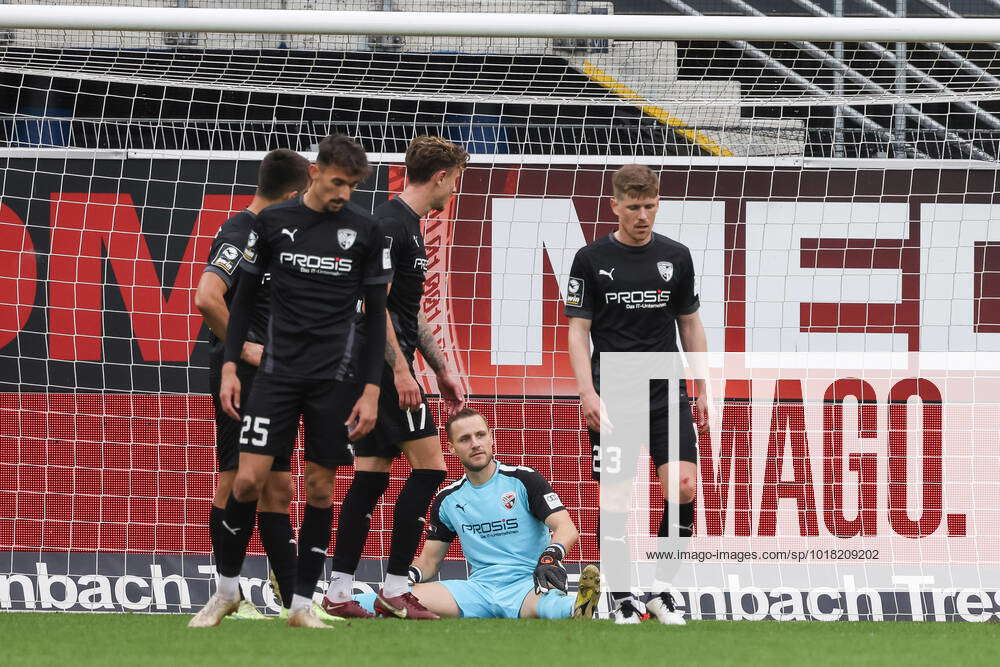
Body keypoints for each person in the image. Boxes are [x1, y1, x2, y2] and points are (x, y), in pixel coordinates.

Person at [188, 135, 392, 629]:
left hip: (333, 381)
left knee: (320, 489)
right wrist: (232, 366)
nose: (344, 192)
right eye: (338, 181)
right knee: (247, 480)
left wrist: (371, 390)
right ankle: (226, 592)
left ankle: (302, 605)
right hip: (275, 377)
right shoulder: (271, 225)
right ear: (315, 172)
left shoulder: (367, 232)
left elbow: (376, 317)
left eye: (353, 185)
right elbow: (238, 304)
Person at [323, 136, 468, 620]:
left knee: (371, 480)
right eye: (457, 180)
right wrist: (403, 371)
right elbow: (372, 306)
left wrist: (442, 368)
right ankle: (392, 586)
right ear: (442, 176)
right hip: (381, 372)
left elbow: (409, 312)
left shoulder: (409, 225)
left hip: (387, 368)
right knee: (430, 469)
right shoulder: (387, 224)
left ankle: (341, 591)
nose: (456, 191)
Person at [564, 164, 709, 625]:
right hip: (614, 394)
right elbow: (577, 331)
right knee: (617, 499)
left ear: (657, 204)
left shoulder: (677, 257)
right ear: (615, 206)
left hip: (666, 391)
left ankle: (663, 591)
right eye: (633, 207)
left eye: (649, 206)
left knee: (683, 486)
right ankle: (622, 596)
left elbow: (689, 322)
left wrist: (702, 383)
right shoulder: (590, 259)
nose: (642, 216)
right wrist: (586, 392)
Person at [194, 148, 309, 621]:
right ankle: (228, 592)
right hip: (242, 375)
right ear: (292, 194)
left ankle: (295, 604)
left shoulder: (271, 237)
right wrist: (245, 351)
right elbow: (207, 296)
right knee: (234, 481)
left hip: (275, 377)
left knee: (277, 488)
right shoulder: (240, 231)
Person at [354, 407, 601, 620]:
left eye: (480, 435)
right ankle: (337, 601)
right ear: (451, 448)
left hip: (526, 586)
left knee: (551, 606)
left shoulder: (523, 480)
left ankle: (577, 606)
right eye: (465, 439)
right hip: (477, 591)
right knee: (393, 599)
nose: (475, 443)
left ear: (491, 438)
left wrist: (550, 558)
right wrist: (407, 577)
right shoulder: (447, 499)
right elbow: (429, 561)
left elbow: (566, 528)